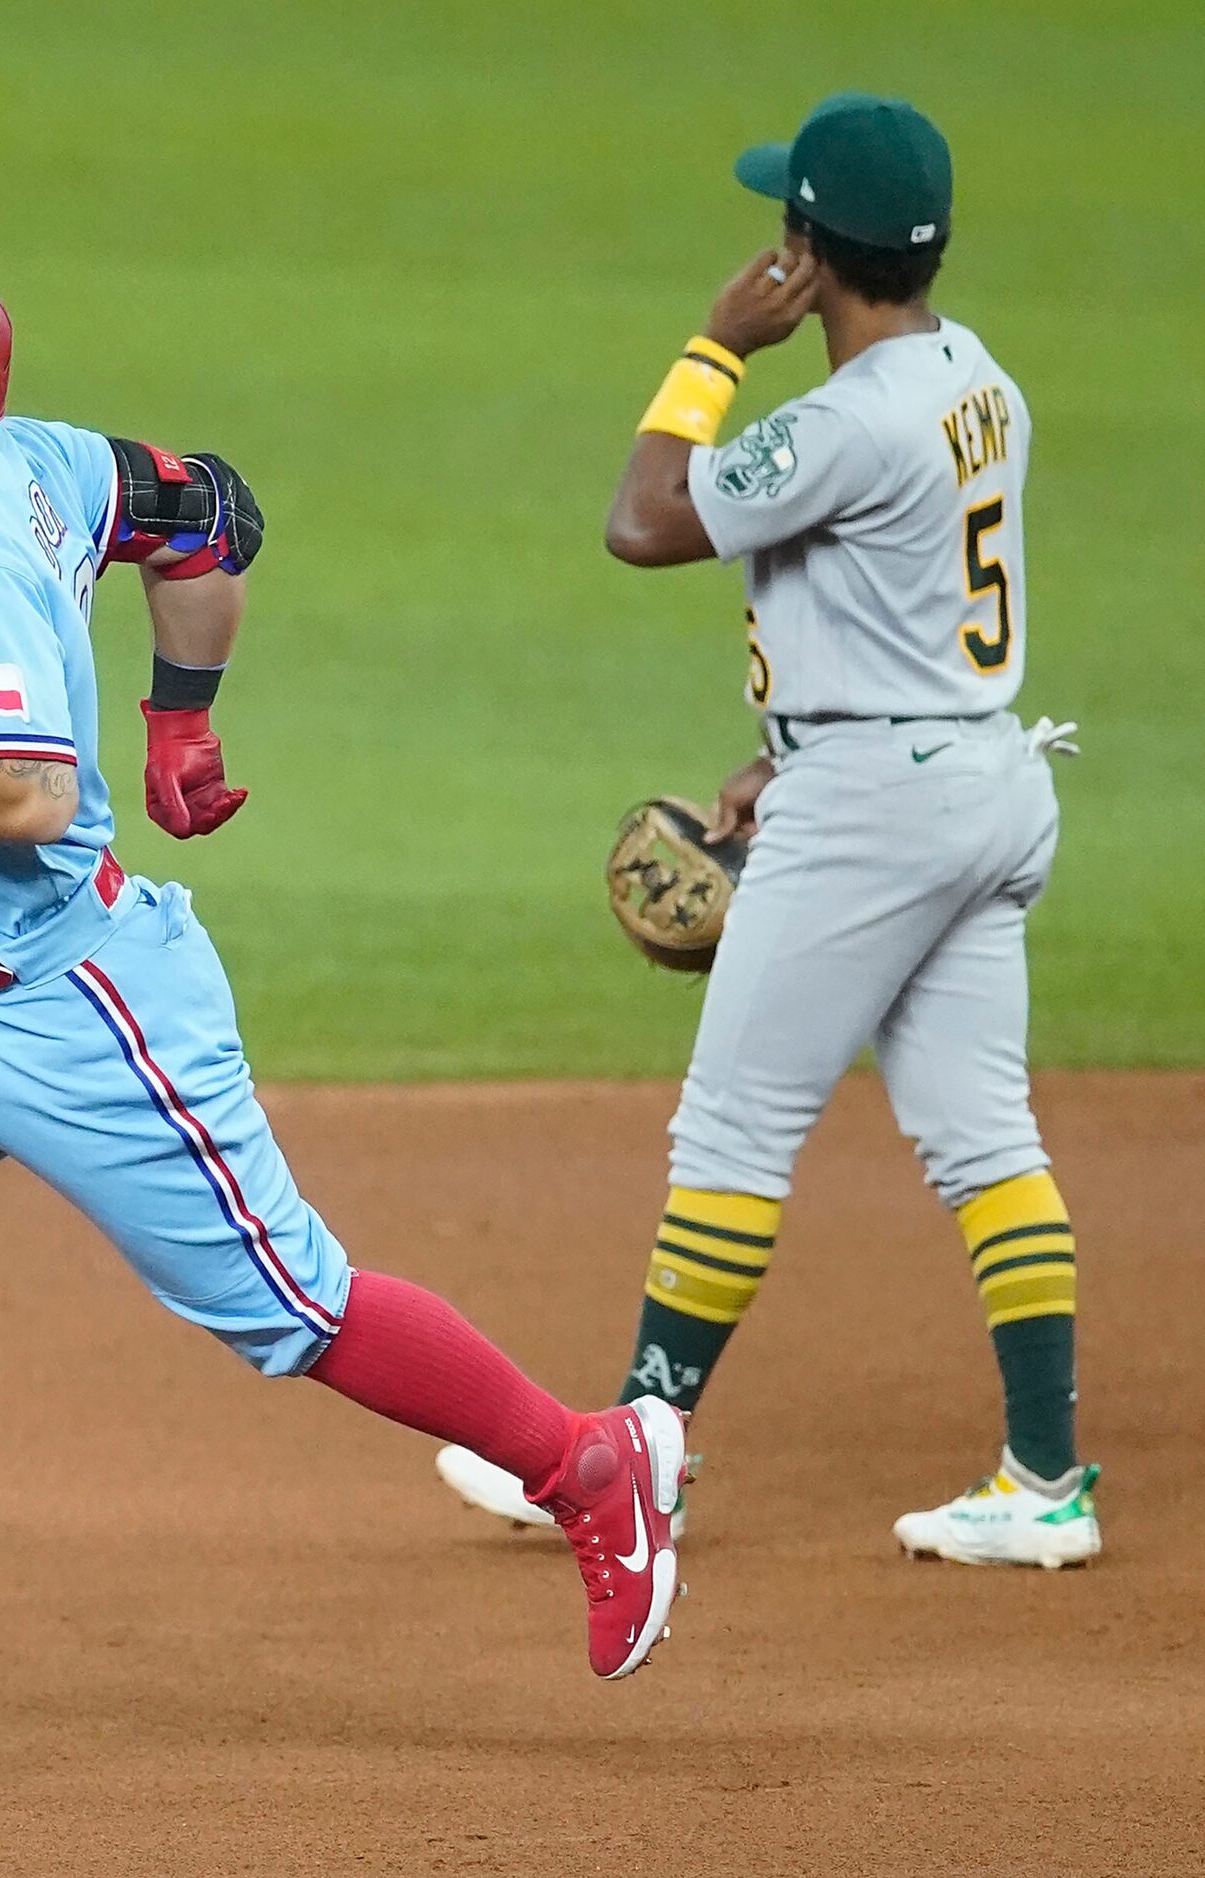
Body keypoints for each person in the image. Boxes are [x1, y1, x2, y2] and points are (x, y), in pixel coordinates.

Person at [0, 253, 688, 1753]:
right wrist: (180, 719)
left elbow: (25, 794)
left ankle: (589, 1461)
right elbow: (205, 508)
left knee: (292, 1306)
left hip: (73, 1007)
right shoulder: (37, 456)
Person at [434, 96, 1098, 1570]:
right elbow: (902, 595)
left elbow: (645, 515)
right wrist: (779, 747)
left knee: (733, 1127)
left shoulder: (836, 423)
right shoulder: (975, 376)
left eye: (781, 228)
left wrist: (714, 343)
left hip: (876, 814)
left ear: (809, 253)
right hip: (976, 773)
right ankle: (1045, 1479)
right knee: (985, 1133)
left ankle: (630, 1458)